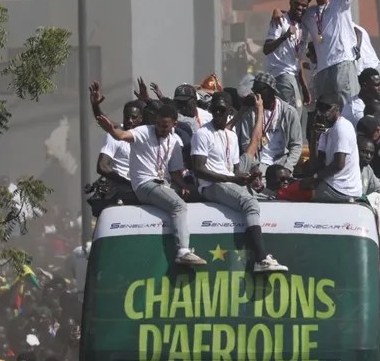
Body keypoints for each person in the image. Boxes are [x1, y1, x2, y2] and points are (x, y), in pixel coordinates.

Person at [95, 103, 206, 266]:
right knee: (179, 206)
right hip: (145, 184)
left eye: (165, 126)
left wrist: (185, 187)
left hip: (164, 185)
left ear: (174, 124)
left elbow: (175, 173)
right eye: (158, 124)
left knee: (196, 194)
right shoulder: (144, 132)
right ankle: (183, 251)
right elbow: (122, 135)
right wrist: (111, 130)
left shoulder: (175, 142)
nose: (160, 129)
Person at [191, 92, 288, 273]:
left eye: (222, 110)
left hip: (227, 180)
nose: (218, 113)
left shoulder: (231, 135)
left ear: (230, 111)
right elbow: (198, 170)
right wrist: (233, 179)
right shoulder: (202, 134)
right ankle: (261, 259)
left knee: (258, 191)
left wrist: (249, 178)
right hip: (210, 186)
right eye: (215, 110)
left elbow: (235, 171)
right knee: (250, 203)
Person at [302, 0, 363, 106]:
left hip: (342, 62)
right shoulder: (309, 13)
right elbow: (292, 14)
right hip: (322, 68)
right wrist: (277, 11)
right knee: (326, 109)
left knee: (347, 107)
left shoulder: (339, 1)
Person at [236, 72, 304, 175]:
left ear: (271, 90)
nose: (257, 94)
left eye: (260, 90)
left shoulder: (289, 112)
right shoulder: (249, 114)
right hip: (259, 164)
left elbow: (296, 145)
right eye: (254, 90)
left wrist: (288, 168)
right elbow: (246, 143)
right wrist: (254, 166)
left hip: (281, 163)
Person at [302, 94, 363, 202]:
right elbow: (316, 166)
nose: (323, 112)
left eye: (327, 107)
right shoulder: (327, 130)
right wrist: (313, 138)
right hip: (333, 186)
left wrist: (315, 177)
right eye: (320, 107)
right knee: (298, 186)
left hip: (343, 189)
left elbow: (339, 165)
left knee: (297, 192)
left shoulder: (342, 127)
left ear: (337, 108)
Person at [264, 0, 313, 112]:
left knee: (296, 113)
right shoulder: (280, 20)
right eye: (297, 3)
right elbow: (266, 49)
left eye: (304, 5)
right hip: (281, 74)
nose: (300, 8)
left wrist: (304, 86)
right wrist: (284, 36)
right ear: (290, 2)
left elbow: (298, 59)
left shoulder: (303, 28)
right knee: (291, 114)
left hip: (293, 76)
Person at [94, 94, 142, 204]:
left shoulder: (146, 135)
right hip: (121, 190)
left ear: (141, 119)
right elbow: (102, 166)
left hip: (141, 188)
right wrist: (127, 182)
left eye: (134, 117)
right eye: (127, 117)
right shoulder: (115, 134)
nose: (130, 121)